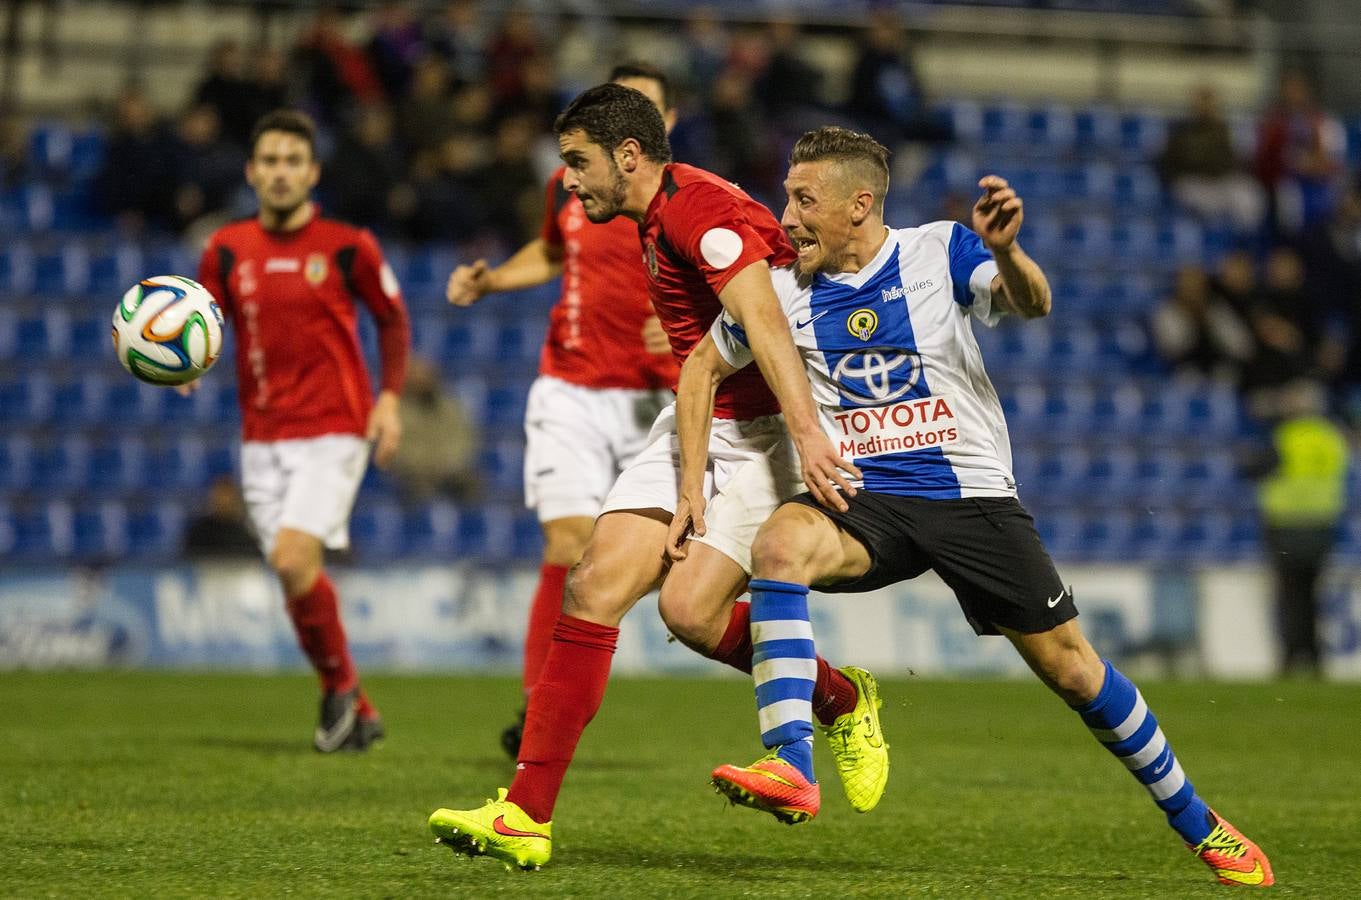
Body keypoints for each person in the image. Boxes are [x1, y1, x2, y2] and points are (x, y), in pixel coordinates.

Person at [679, 127, 1273, 888]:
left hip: (970, 500)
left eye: (803, 200)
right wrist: (692, 489)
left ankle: (1198, 821)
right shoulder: (780, 291)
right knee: (779, 545)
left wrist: (1007, 254)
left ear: (858, 204)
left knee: (1072, 673)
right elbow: (701, 368)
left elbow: (1033, 302)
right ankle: (792, 761)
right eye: (786, 197)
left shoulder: (938, 250)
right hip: (869, 501)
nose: (785, 216)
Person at [427, 83, 882, 871]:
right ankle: (523, 815)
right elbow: (709, 356)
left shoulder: (695, 214)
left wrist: (804, 435)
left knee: (688, 612)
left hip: (769, 431)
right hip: (701, 421)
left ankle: (841, 699)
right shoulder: (660, 211)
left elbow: (766, 324)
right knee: (594, 583)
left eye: (577, 163)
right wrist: (685, 478)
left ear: (627, 157)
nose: (567, 181)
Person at [445, 63, 680, 757]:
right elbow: (551, 251)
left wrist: (686, 323)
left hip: (655, 397)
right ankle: (538, 704)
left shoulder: (691, 202)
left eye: (649, 106)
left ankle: (568, 691)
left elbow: (747, 287)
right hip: (571, 386)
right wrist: (495, 279)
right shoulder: (568, 184)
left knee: (658, 572)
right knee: (567, 543)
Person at [190, 109, 410, 752]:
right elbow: (201, 321)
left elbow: (392, 322)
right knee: (293, 575)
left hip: (334, 429)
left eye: (293, 161)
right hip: (260, 438)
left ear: (312, 173)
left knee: (292, 558)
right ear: (251, 172)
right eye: (270, 162)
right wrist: (189, 363)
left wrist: (389, 400)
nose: (281, 173)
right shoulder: (226, 249)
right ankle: (354, 705)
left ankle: (337, 697)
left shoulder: (348, 246)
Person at [1254, 381, 1348, 676]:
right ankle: (1316, 657)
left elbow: (1258, 469)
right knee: (1312, 594)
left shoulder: (1286, 436)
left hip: (1286, 526)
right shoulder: (1331, 437)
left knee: (1290, 595)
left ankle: (1292, 657)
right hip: (1322, 526)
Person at [389, 355, 479, 503]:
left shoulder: (450, 407)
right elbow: (396, 451)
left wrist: (448, 463)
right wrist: (426, 466)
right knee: (416, 492)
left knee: (471, 485)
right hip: (414, 475)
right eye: (416, 375)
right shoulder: (396, 412)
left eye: (425, 374)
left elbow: (465, 440)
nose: (422, 379)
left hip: (450, 471)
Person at [182, 475, 258, 560]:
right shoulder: (199, 532)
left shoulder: (244, 533)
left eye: (228, 497)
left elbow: (252, 563)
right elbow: (190, 561)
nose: (224, 501)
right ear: (213, 498)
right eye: (220, 496)